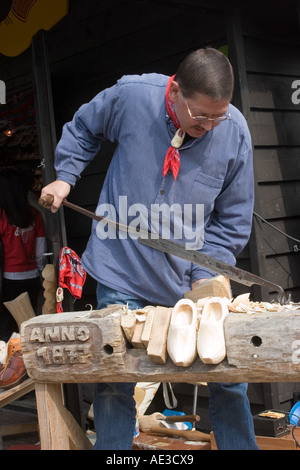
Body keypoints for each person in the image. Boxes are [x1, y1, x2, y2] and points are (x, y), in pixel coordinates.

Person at [41, 48, 258, 450]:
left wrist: (205, 274)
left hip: (188, 276)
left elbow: (232, 218)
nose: (210, 126)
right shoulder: (132, 96)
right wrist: (65, 177)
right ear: (175, 90)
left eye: (219, 116)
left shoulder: (235, 132)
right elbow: (83, 128)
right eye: (200, 116)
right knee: (113, 382)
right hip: (121, 267)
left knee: (229, 378)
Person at [0, 168, 46, 341]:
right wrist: (40, 274)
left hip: (7, 281)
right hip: (31, 278)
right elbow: (40, 253)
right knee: (27, 324)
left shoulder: (2, 217)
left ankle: (7, 366)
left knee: (5, 328)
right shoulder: (36, 215)